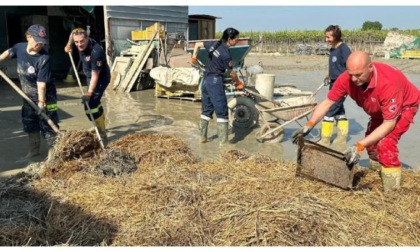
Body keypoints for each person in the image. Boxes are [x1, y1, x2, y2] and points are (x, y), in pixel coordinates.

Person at [291, 51, 420, 192]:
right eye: (350, 74)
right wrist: (309, 125)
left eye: (358, 75)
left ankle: (392, 191)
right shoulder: (346, 78)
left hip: (404, 107)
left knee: (385, 144)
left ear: (370, 68)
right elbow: (328, 102)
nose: (353, 79)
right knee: (372, 147)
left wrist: (359, 146)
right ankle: (378, 172)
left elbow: (389, 123)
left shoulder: (388, 83)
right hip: (378, 109)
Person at [0, 24, 59, 162]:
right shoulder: (19, 47)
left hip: (48, 98)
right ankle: (34, 153)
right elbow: (8, 53)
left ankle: (53, 156)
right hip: (27, 97)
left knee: (49, 125)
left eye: (42, 42)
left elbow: (41, 84)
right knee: (30, 123)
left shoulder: (44, 58)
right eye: (37, 40)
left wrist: (42, 103)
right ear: (28, 36)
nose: (40, 44)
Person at [191, 27, 244, 145]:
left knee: (206, 110)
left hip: (205, 81)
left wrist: (194, 57)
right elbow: (232, 73)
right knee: (222, 112)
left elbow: (197, 44)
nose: (237, 41)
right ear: (230, 39)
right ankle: (223, 144)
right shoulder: (226, 54)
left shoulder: (214, 44)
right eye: (236, 39)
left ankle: (202, 138)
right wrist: (239, 83)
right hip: (215, 82)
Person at [64, 27, 110, 142]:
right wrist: (69, 44)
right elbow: (72, 34)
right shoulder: (77, 40)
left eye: (81, 41)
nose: (79, 45)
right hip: (90, 75)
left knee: (90, 105)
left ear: (87, 39)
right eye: (76, 42)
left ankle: (102, 132)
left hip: (100, 78)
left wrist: (89, 94)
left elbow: (95, 76)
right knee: (95, 103)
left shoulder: (96, 52)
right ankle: (99, 122)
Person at [319, 25, 352, 152]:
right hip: (333, 83)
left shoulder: (344, 50)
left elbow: (350, 68)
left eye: (329, 37)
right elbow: (334, 66)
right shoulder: (332, 50)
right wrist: (329, 75)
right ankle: (342, 139)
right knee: (339, 110)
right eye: (326, 37)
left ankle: (325, 140)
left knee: (330, 109)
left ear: (336, 37)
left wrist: (344, 82)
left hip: (342, 85)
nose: (326, 39)